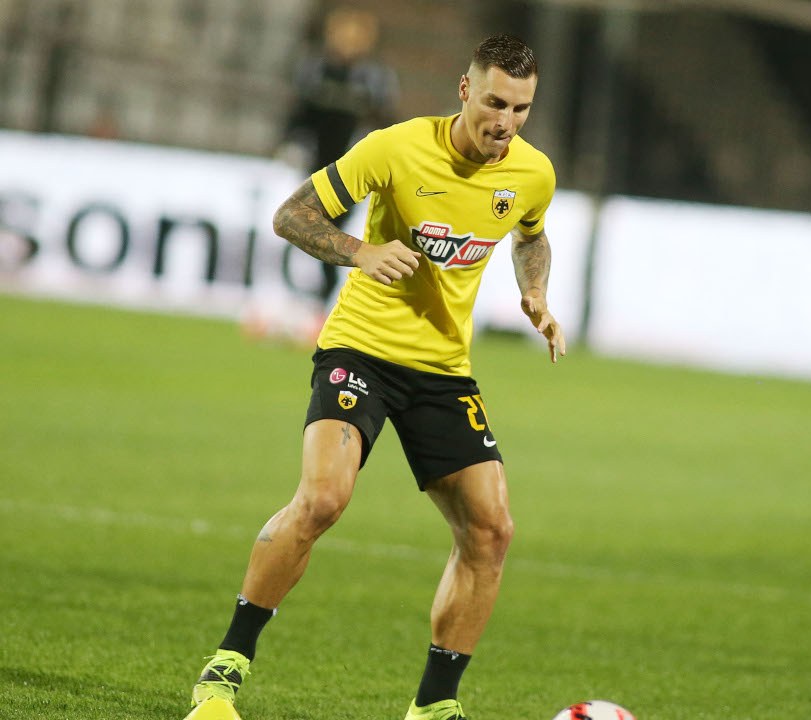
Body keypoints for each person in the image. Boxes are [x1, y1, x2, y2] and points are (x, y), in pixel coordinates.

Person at [185, 33, 564, 720]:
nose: (505, 122)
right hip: (360, 350)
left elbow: (531, 235)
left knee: (492, 530)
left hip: (443, 369)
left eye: (520, 108)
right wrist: (360, 250)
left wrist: (534, 291)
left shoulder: (532, 173)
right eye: (494, 103)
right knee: (323, 499)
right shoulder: (395, 147)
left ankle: (434, 706)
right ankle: (223, 672)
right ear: (464, 90)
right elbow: (292, 215)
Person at [279, 5, 400, 302]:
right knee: (307, 223)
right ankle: (313, 292)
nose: (349, 42)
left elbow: (386, 122)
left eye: (356, 36)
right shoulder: (313, 70)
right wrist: (291, 143)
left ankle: (327, 294)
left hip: (352, 170)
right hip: (314, 163)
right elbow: (297, 113)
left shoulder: (376, 78)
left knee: (337, 230)